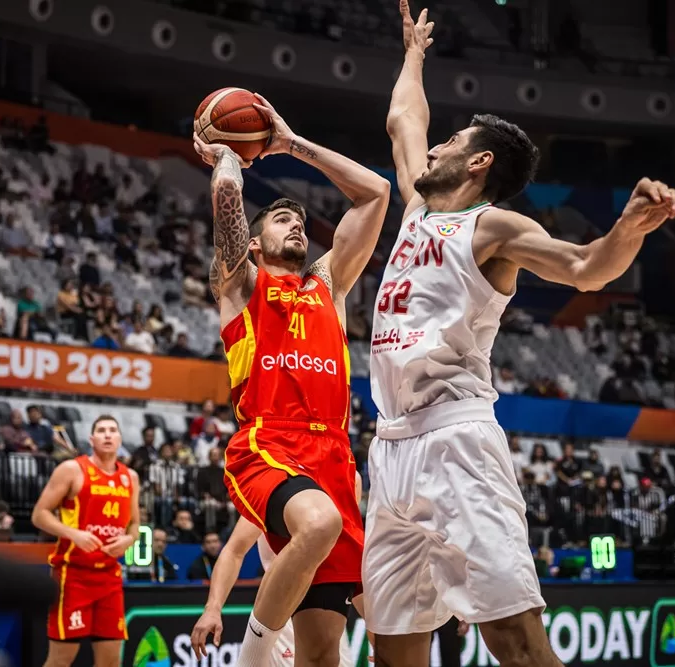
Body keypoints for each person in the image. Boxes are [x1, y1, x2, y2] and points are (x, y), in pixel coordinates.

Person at [362, 4, 675, 666]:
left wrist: (626, 227)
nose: (436, 145)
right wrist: (415, 53)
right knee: (394, 648)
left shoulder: (494, 229)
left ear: (478, 162)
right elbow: (403, 118)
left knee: (516, 642)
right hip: (390, 447)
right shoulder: (418, 206)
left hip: (457, 442)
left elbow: (586, 269)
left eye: (450, 142)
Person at [194, 86, 389, 667]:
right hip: (267, 444)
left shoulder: (327, 286)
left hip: (334, 454)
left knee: (325, 653)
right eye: (282, 219)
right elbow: (228, 199)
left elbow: (375, 194)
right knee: (319, 521)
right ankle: (252, 659)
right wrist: (226, 152)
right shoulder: (241, 284)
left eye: (300, 219)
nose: (297, 224)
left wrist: (291, 143)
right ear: (255, 243)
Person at [192, 473, 364, 667]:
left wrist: (373, 621)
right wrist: (213, 609)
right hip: (284, 610)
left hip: (331, 608)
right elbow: (234, 551)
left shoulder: (350, 476)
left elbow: (347, 561)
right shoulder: (277, 483)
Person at [32, 416, 140, 667]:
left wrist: (129, 539)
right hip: (73, 576)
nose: (107, 435)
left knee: (111, 661)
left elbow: (135, 523)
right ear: (91, 439)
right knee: (61, 659)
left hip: (110, 578)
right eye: (101, 431)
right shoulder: (72, 469)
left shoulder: (130, 477)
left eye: (112, 430)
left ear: (120, 439)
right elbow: (39, 514)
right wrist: (74, 534)